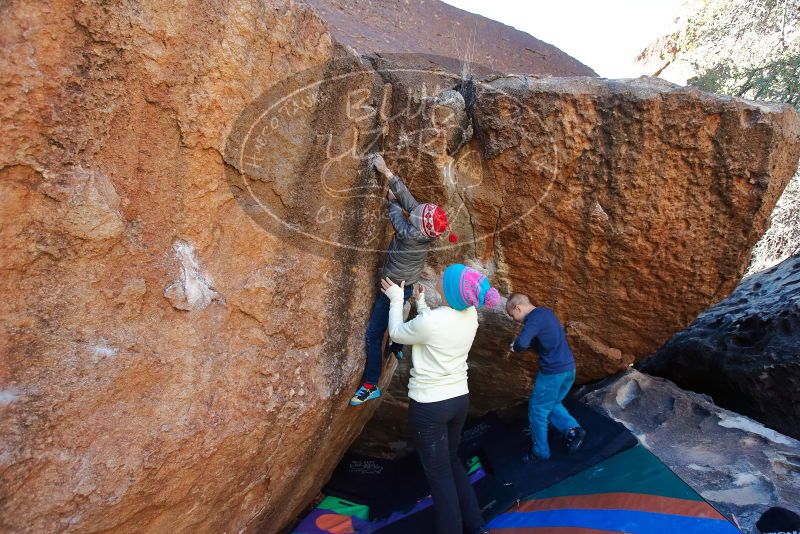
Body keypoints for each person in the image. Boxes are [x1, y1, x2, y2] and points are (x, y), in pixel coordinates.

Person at [381, 263, 500, 534]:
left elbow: (399, 333)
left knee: (439, 478)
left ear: (450, 291)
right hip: (458, 399)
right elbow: (432, 330)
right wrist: (421, 303)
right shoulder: (470, 315)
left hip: (430, 407)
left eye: (445, 278)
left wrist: (397, 300)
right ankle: (477, 525)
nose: (441, 277)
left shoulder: (433, 322)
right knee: (452, 461)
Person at [350, 154, 458, 406]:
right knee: (402, 313)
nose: (416, 208)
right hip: (408, 283)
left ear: (419, 224)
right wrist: (387, 173)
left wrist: (391, 201)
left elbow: (397, 213)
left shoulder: (409, 233)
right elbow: (410, 203)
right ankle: (397, 345)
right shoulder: (425, 232)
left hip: (392, 289)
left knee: (373, 335)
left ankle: (370, 384)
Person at [506, 292, 587, 462]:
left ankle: (540, 453)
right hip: (569, 369)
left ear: (518, 307)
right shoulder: (547, 313)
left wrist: (516, 347)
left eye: (514, 316)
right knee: (552, 403)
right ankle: (573, 430)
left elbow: (522, 343)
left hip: (553, 373)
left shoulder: (533, 318)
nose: (516, 321)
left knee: (537, 410)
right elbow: (545, 344)